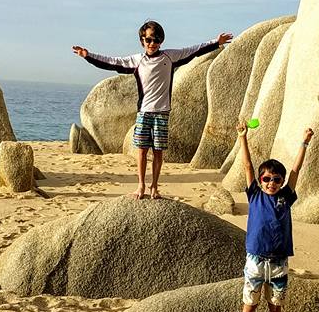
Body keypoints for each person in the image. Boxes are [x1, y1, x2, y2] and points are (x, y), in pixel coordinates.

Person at [72, 21, 233, 199]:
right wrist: (87, 55)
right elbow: (112, 62)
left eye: (156, 39)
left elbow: (193, 51)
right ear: (142, 40)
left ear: (161, 41)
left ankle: (154, 187)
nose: (152, 43)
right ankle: (141, 186)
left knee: (158, 151)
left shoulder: (170, 57)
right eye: (148, 39)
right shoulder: (137, 61)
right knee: (141, 151)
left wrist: (216, 42)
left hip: (162, 113)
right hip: (144, 112)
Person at [236, 119, 314, 312]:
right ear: (260, 181)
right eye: (267, 179)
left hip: (279, 262)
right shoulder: (255, 196)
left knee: (275, 307)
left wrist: (304, 143)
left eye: (276, 179)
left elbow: (295, 170)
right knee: (249, 305)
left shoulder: (286, 197)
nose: (272, 183)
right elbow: (248, 165)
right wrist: (243, 137)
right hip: (256, 260)